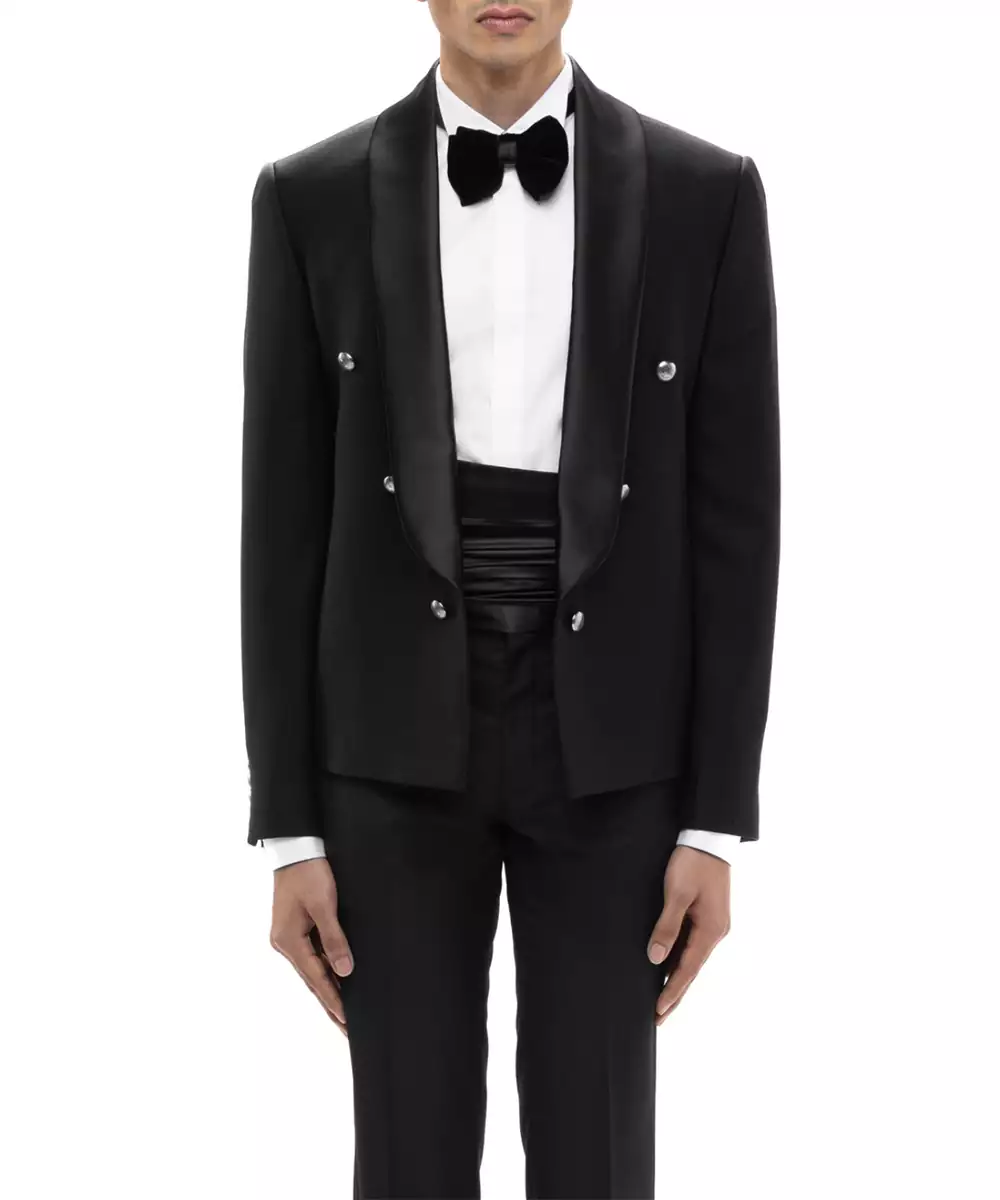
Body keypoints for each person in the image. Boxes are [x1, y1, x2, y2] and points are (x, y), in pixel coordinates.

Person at [240, 1, 780, 1195]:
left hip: (615, 741)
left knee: (598, 1155)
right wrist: (287, 826)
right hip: (385, 744)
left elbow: (738, 530)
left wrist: (713, 819)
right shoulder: (306, 197)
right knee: (408, 1154)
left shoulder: (708, 195)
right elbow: (279, 533)